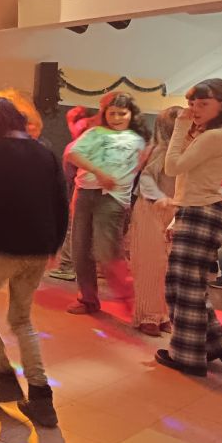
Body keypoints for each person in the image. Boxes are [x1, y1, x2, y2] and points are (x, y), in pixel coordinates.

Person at [0, 97, 68, 428]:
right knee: (22, 320)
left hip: (4, 248)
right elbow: (61, 202)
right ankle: (41, 397)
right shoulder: (45, 152)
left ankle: (4, 378)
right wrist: (55, 245)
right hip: (38, 250)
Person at [155, 79, 222, 377]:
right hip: (201, 210)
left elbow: (172, 167)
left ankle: (187, 356)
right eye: (192, 103)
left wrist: (181, 126)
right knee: (190, 285)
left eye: (204, 104)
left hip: (200, 212)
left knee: (183, 288)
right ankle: (214, 344)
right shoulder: (212, 135)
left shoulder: (215, 136)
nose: (194, 109)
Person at [65, 92, 148, 315]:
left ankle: (130, 298)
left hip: (112, 198)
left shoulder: (137, 140)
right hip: (84, 193)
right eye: (112, 113)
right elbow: (72, 154)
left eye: (122, 113)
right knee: (80, 249)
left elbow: (137, 169)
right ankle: (87, 299)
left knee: (107, 251)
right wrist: (98, 172)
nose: (117, 118)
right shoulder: (95, 133)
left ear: (131, 114)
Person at [131, 106, 180, 336]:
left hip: (174, 211)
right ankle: (147, 316)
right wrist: (160, 198)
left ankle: (164, 315)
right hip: (151, 209)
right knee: (151, 264)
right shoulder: (159, 150)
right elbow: (146, 179)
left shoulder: (188, 152)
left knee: (168, 267)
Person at [48, 106, 97, 281]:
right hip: (99, 194)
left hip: (79, 192)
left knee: (73, 230)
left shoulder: (75, 147)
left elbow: (68, 176)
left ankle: (67, 266)